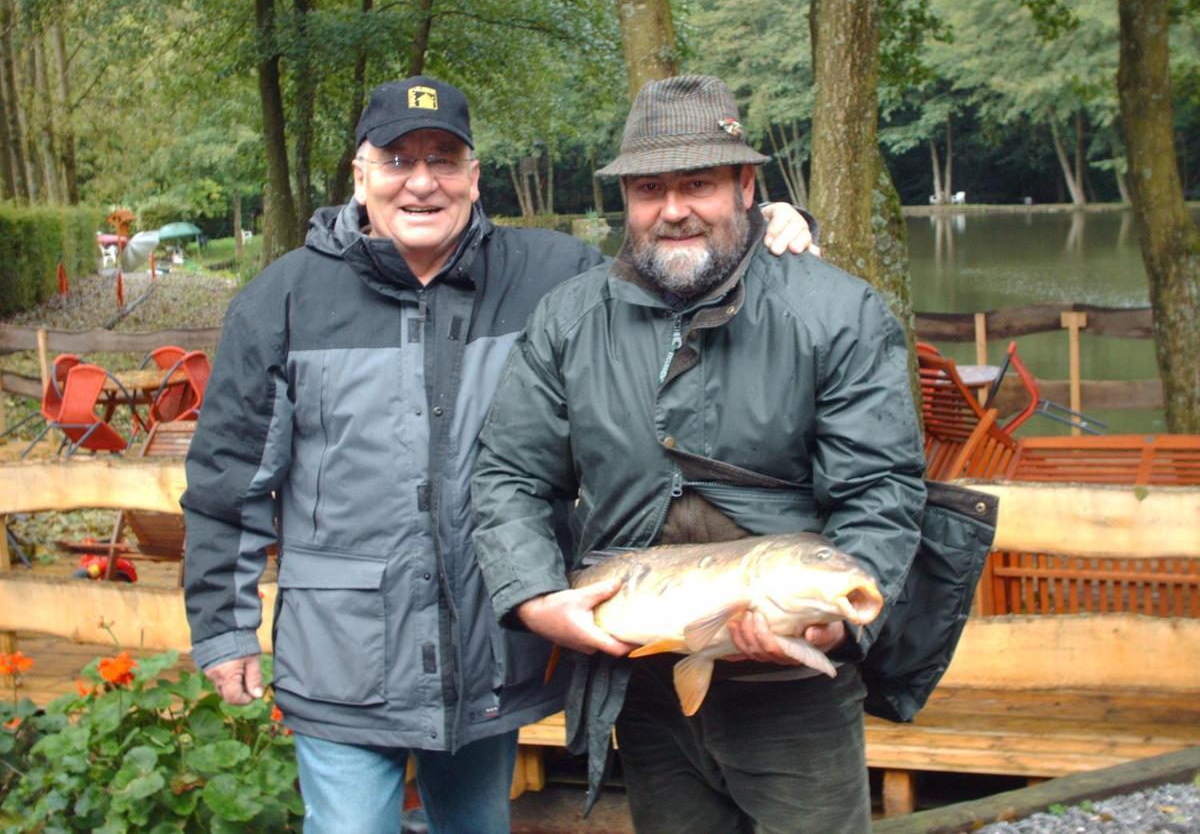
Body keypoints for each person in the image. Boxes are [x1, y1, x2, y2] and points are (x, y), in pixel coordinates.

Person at [181, 74, 817, 834]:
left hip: (488, 645)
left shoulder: (551, 277)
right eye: (396, 160)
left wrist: (766, 221)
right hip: (341, 651)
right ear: (360, 173)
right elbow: (229, 480)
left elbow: (674, 257)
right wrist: (222, 625)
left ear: (474, 176)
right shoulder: (281, 300)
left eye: (444, 159)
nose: (422, 182)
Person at [471, 75, 928, 833]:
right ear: (626, 199)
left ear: (747, 185)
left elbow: (880, 489)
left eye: (699, 183)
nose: (673, 208)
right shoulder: (568, 319)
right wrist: (536, 599)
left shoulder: (838, 313)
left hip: (794, 698)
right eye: (650, 187)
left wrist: (835, 623)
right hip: (644, 684)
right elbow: (509, 477)